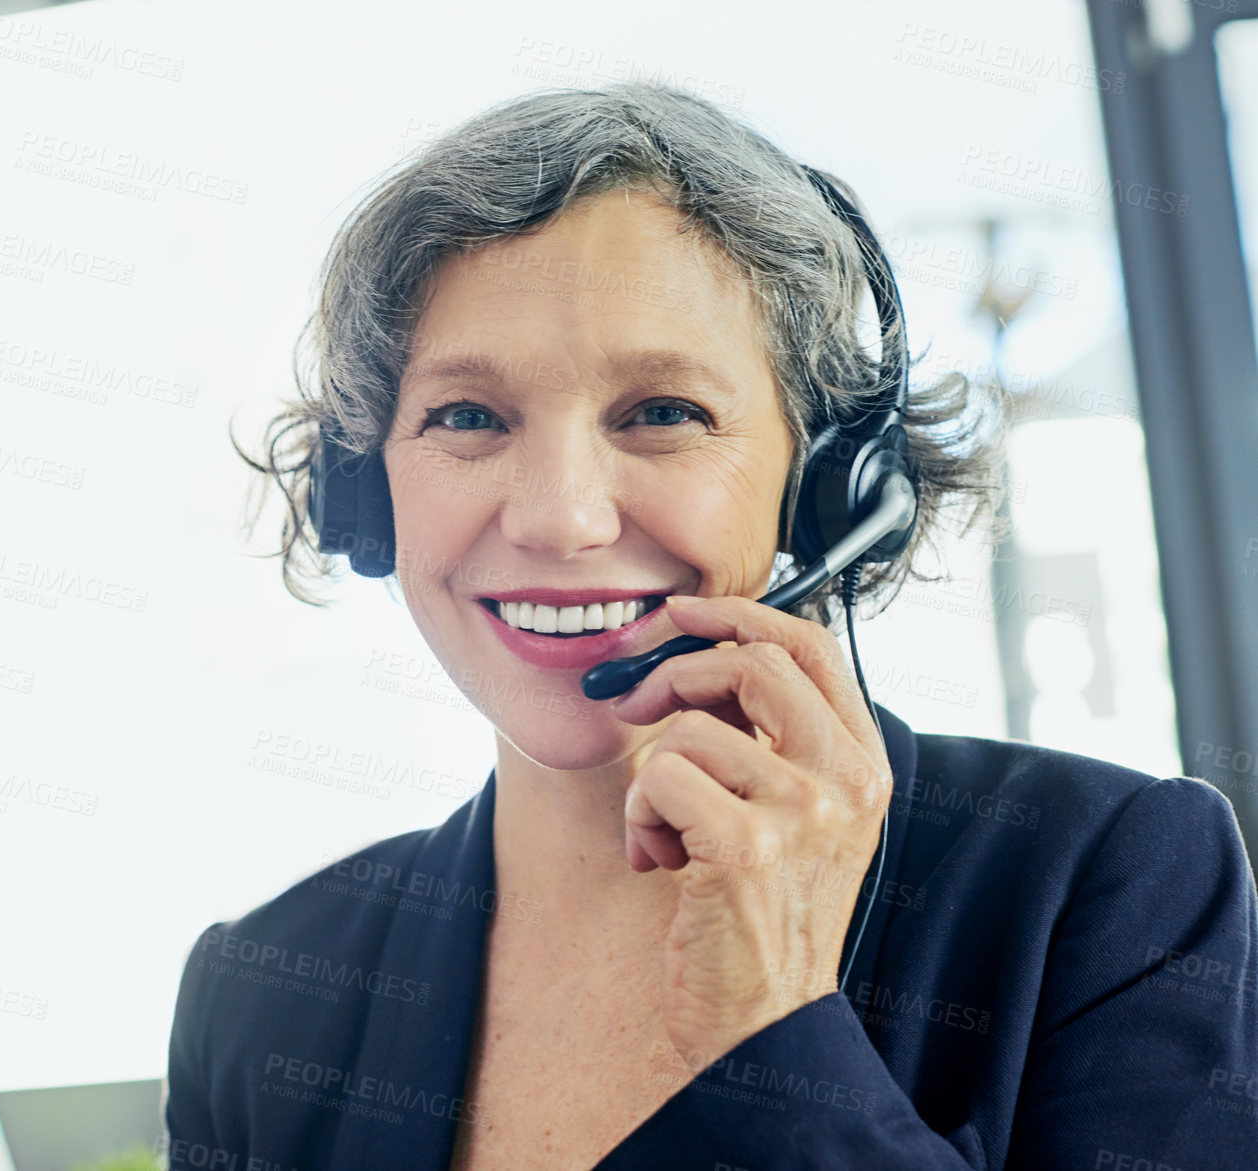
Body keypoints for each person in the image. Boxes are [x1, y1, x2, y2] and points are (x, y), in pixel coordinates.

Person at [162, 81, 1258, 1169]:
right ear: (364, 492)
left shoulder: (1104, 886)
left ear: (829, 482)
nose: (560, 517)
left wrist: (776, 1024)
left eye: (661, 413)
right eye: (466, 416)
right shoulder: (260, 991)